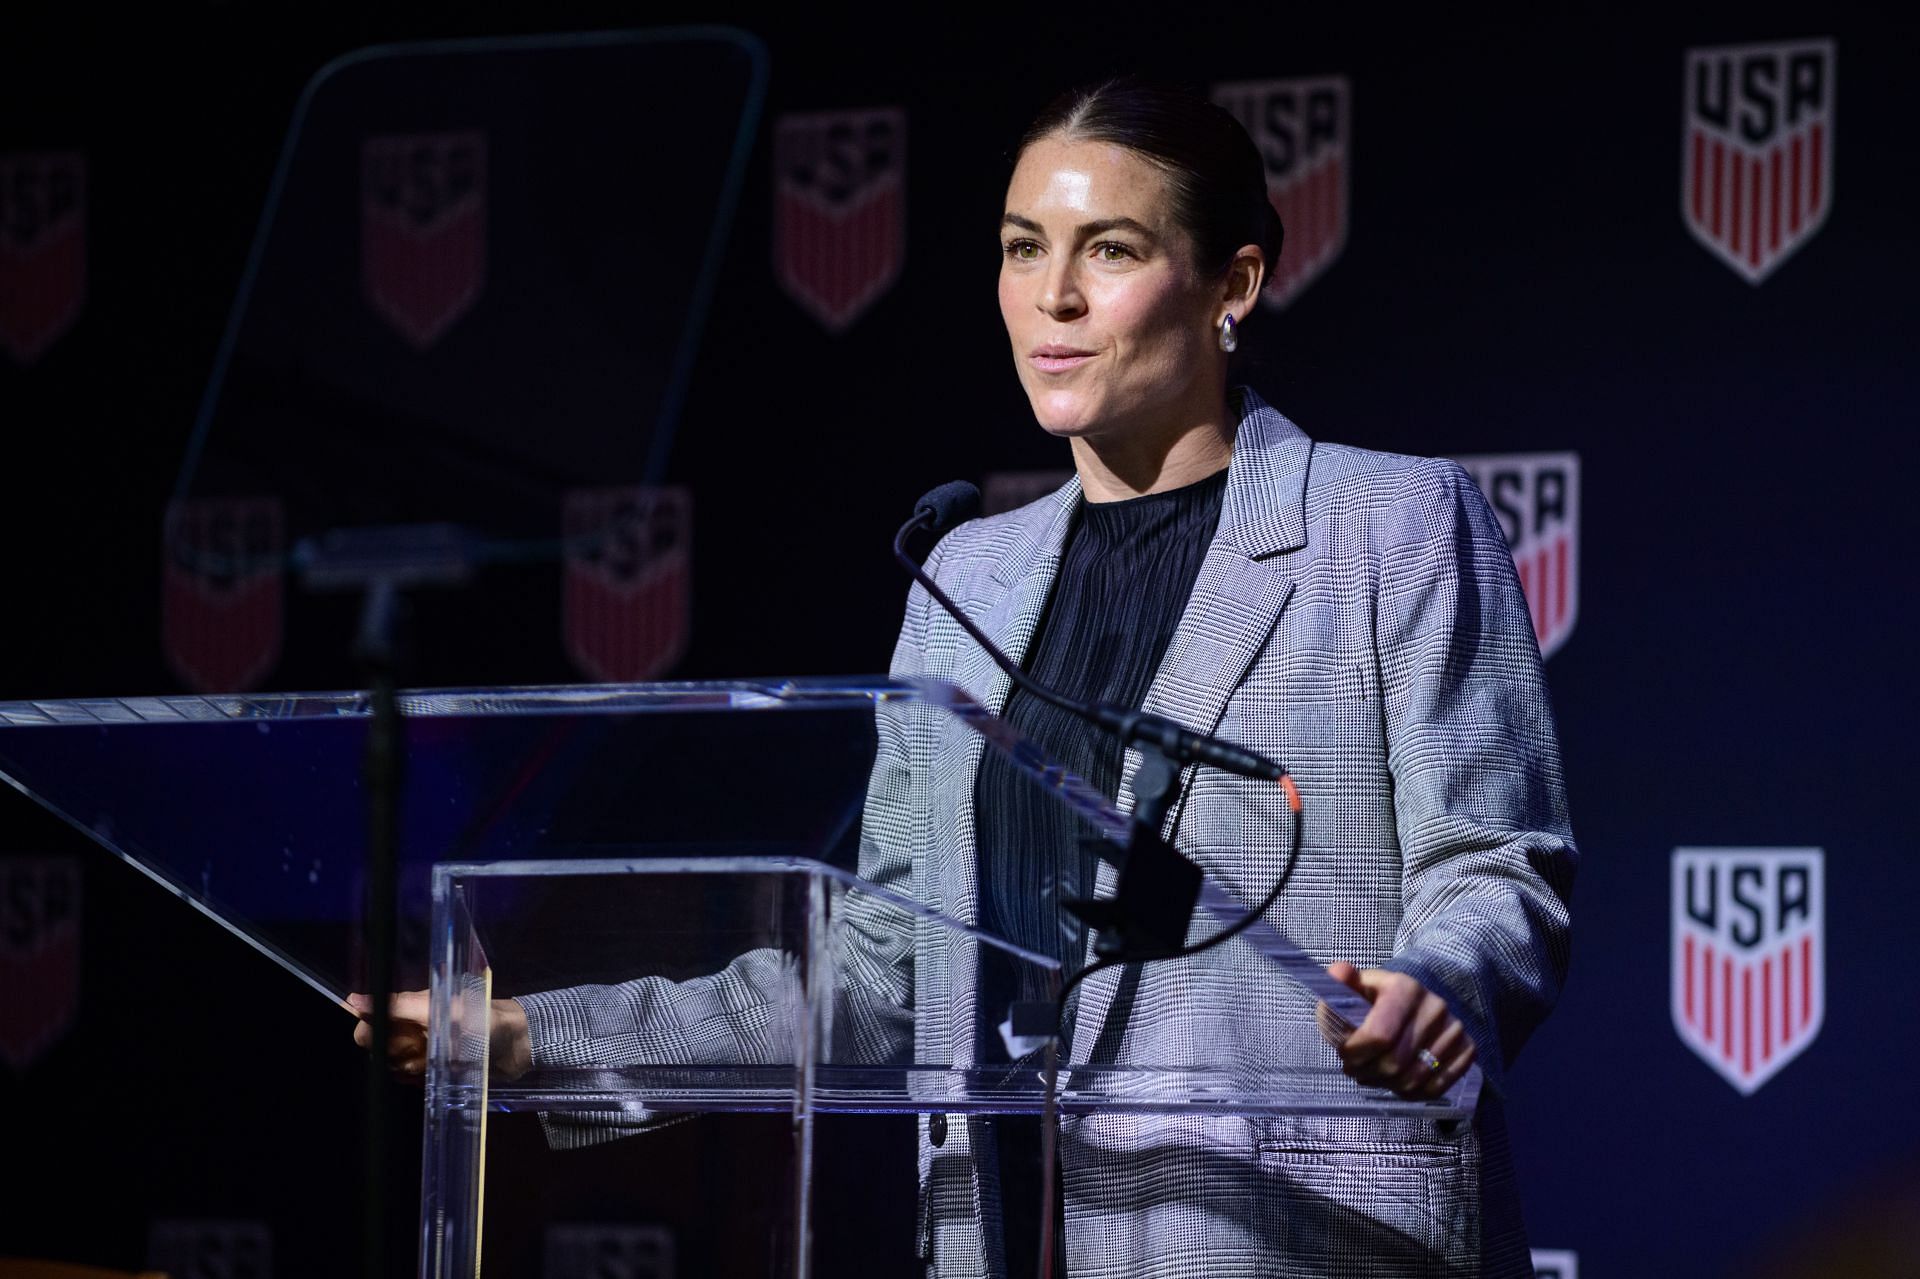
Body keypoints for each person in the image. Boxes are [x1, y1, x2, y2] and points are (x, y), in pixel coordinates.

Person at [360, 78, 1576, 1278]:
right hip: (1000, 1235)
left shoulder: (1393, 523)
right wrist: (529, 1038)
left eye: (1109, 249)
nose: (1051, 297)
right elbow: (887, 975)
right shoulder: (964, 584)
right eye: (1020, 248)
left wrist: (1436, 986)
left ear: (1233, 284)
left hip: (1299, 1239)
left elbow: (1496, 869)